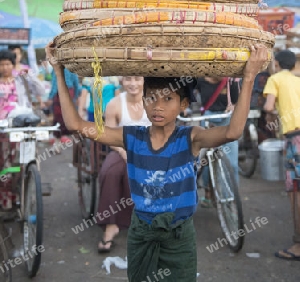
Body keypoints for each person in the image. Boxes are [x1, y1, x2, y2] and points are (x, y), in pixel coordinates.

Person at [45, 42, 267, 281]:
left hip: (179, 234)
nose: (157, 106)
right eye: (151, 98)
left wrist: (249, 77)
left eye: (168, 99)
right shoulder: (130, 136)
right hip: (142, 231)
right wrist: (58, 70)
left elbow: (232, 132)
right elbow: (76, 125)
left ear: (183, 105)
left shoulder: (189, 138)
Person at [97, 76, 151, 252]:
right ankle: (111, 225)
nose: (133, 83)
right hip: (122, 148)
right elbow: (109, 135)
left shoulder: (154, 100)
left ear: (144, 80)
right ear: (122, 81)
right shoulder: (114, 104)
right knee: (109, 172)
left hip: (150, 150)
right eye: (128, 79)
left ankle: (149, 220)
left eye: (137, 79)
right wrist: (123, 152)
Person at [263, 49, 300, 261]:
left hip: (294, 138)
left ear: (276, 63)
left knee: (295, 192)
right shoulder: (297, 80)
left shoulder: (275, 79)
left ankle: (298, 245)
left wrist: (270, 115)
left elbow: (269, 105)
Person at [0, 50, 45, 209]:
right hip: (2, 130)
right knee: (4, 165)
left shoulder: (20, 80)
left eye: (8, 64)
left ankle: (21, 194)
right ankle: (5, 199)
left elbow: (41, 91)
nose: (5, 67)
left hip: (19, 127)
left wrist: (30, 75)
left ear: (13, 65)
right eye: (2, 64)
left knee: (20, 162)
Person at [196, 77, 240, 207]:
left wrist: (234, 107)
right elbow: (189, 95)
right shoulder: (199, 79)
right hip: (208, 118)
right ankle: (208, 191)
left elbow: (239, 100)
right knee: (206, 160)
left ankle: (230, 199)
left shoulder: (231, 80)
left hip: (227, 119)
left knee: (231, 163)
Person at [47, 68, 81, 148]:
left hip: (62, 92)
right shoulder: (70, 66)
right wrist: (76, 95)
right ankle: (59, 142)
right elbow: (76, 82)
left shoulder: (59, 67)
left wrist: (51, 96)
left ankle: (59, 142)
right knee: (64, 117)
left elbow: (55, 83)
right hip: (66, 92)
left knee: (60, 117)